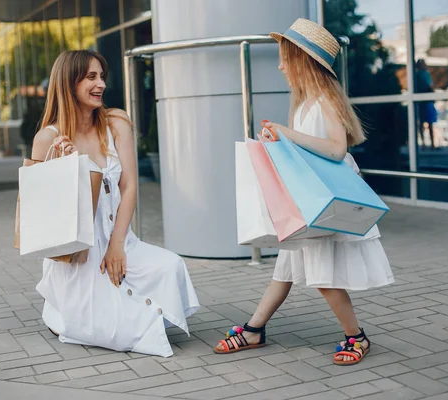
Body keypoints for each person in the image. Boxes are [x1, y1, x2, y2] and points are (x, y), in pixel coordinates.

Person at [213, 19, 393, 366]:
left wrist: (287, 134)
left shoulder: (324, 99)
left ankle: (357, 337)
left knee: (323, 277)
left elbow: (337, 149)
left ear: (302, 60)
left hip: (323, 202)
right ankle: (254, 329)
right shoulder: (307, 102)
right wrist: (280, 139)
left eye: (285, 58)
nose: (280, 65)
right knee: (284, 271)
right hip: (311, 200)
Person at [31, 50, 200, 358]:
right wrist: (67, 164)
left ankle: (109, 307)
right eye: (91, 77)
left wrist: (117, 246)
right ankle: (62, 309)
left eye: (102, 76)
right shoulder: (48, 137)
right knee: (117, 331)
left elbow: (129, 184)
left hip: (121, 241)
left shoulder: (117, 122)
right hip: (77, 255)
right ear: (69, 83)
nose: (102, 85)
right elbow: (45, 209)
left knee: (171, 266)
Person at [415, 59, 438, 150]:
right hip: (427, 101)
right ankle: (432, 144)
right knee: (430, 123)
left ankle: (423, 144)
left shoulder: (416, 75)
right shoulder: (425, 74)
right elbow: (430, 85)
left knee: (421, 123)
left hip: (419, 101)